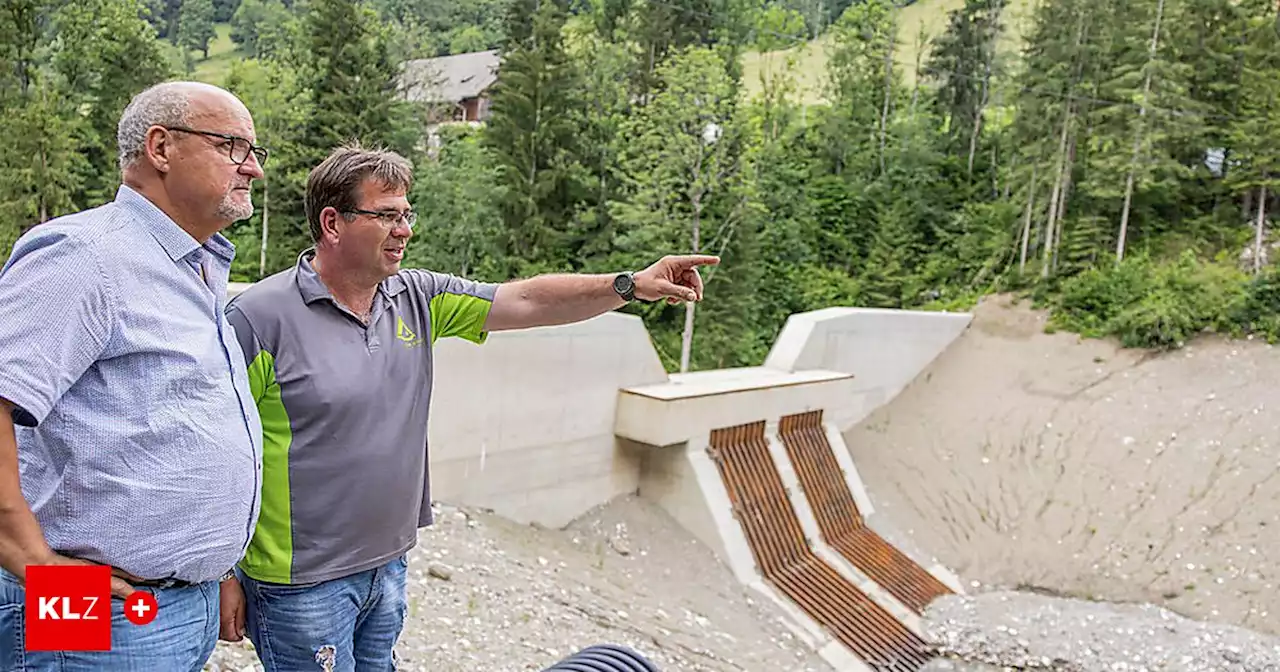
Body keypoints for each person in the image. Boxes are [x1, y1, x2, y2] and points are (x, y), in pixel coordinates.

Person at [219, 143, 717, 670]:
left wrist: (630, 285)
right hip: (300, 585)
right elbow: (219, 453)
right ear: (332, 223)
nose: (405, 229)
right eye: (387, 215)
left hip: (387, 565)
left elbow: (526, 301)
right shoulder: (258, 319)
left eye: (407, 214)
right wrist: (225, 573)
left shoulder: (416, 298)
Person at [0, 81, 267, 671]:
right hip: (93, 604)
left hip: (175, 604)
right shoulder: (86, 256)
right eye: (232, 146)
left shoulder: (192, 266)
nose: (253, 169)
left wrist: (214, 569)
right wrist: (31, 560)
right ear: (161, 147)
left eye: (254, 151)